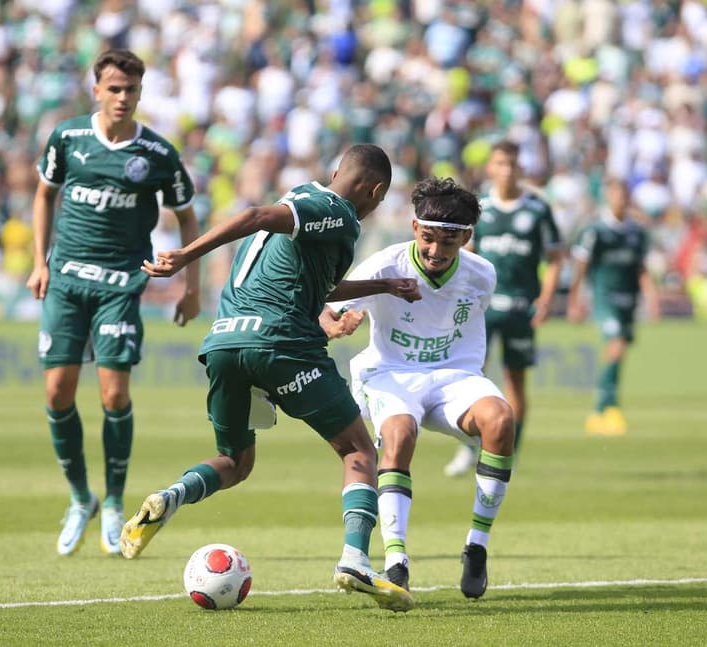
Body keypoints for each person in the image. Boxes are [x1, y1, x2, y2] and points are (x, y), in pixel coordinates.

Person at [121, 144, 419, 613]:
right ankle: (356, 560)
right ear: (374, 189)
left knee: (235, 461)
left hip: (224, 344)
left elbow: (316, 286)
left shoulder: (308, 209)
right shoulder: (334, 211)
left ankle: (169, 498)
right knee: (358, 450)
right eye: (379, 199)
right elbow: (257, 215)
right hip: (279, 343)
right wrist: (184, 257)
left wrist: (381, 287)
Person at [26, 49, 201, 557]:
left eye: (131, 90)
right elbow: (44, 196)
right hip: (65, 278)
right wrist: (39, 262)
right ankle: (81, 499)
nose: (123, 97)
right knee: (58, 390)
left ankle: (116, 502)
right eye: (114, 88)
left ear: (140, 93)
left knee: (114, 396)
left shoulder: (159, 154)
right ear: (96, 90)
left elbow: (187, 218)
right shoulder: (68, 138)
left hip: (120, 283)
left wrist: (191, 286)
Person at [322, 176, 515, 598]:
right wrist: (336, 324)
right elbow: (329, 307)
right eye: (428, 238)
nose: (435, 251)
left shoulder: (482, 274)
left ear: (466, 237)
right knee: (400, 432)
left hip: (455, 377)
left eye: (448, 242)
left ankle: (476, 546)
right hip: (390, 373)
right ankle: (397, 561)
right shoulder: (384, 266)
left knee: (501, 421)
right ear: (415, 229)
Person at [443, 140, 562, 477]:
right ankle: (467, 446)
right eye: (500, 163)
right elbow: (465, 258)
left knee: (516, 381)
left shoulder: (537, 211)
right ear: (491, 168)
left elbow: (555, 259)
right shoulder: (480, 210)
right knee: (468, 375)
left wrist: (547, 298)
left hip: (523, 307)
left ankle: (508, 452)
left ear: (519, 167)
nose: (507, 170)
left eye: (512, 163)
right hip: (482, 309)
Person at [567, 178, 660, 435]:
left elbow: (641, 268)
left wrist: (651, 296)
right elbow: (581, 267)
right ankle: (604, 407)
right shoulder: (595, 231)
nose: (619, 200)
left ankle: (607, 406)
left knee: (619, 349)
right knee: (616, 345)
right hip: (603, 297)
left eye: (623, 195)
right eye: (615, 195)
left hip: (628, 299)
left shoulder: (636, 232)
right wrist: (574, 299)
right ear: (608, 197)